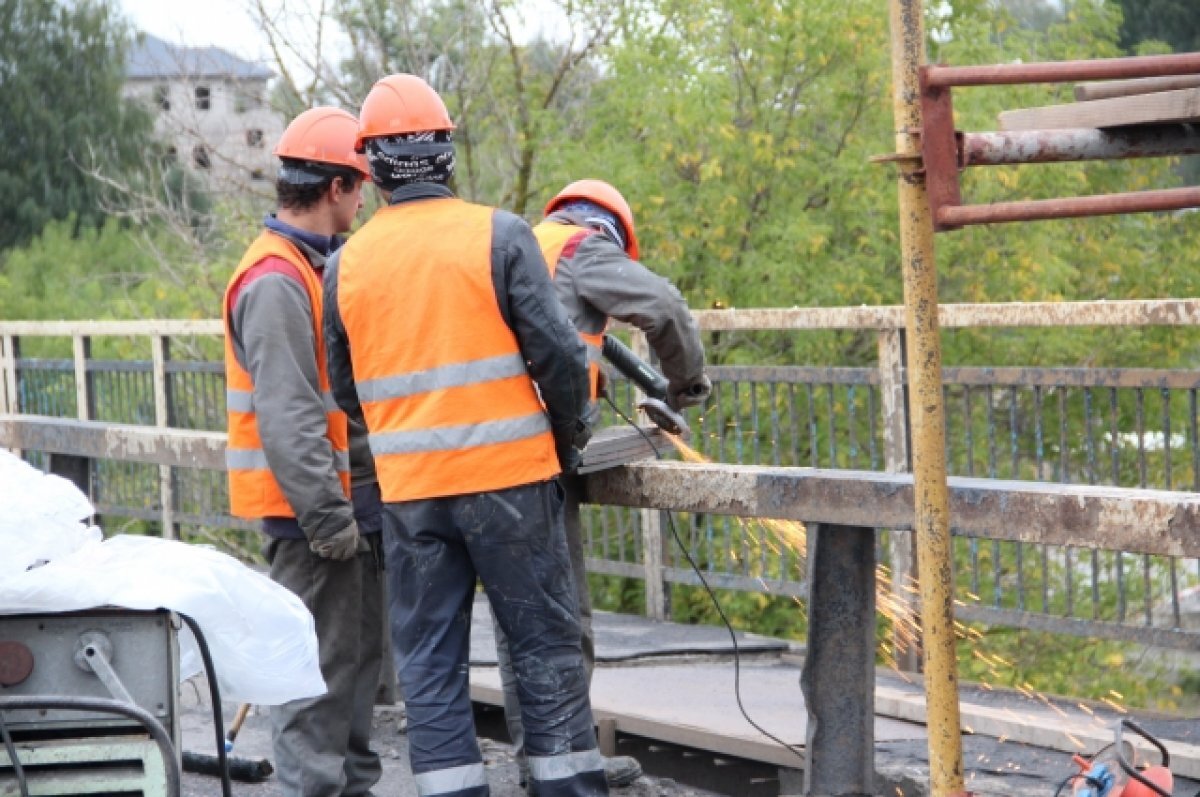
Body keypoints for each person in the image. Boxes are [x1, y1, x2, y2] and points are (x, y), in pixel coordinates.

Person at [323, 73, 607, 797]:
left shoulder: (344, 264)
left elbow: (347, 390)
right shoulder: (500, 234)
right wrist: (568, 437)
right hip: (513, 482)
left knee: (429, 663)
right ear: (446, 152)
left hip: (413, 496)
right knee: (544, 650)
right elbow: (561, 360)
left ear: (373, 166)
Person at [493, 179, 711, 789]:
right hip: (535, 458)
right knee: (562, 621)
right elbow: (664, 307)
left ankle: (544, 760)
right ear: (613, 230)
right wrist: (686, 385)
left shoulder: (524, 243)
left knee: (522, 623)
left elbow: (565, 342)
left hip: (488, 453)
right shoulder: (580, 249)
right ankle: (567, 764)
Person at [223, 106, 384, 797]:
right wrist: (328, 520)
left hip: (332, 512)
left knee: (346, 680)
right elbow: (289, 416)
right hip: (312, 522)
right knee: (315, 691)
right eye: (362, 185)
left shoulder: (306, 268)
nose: (366, 199)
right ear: (338, 187)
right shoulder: (277, 281)